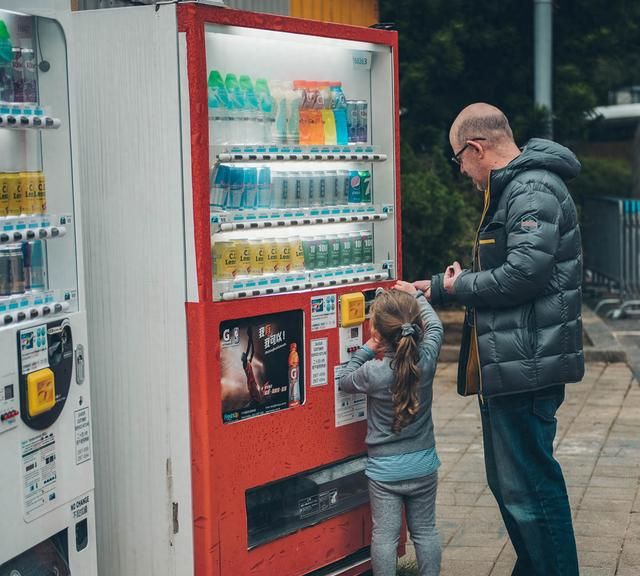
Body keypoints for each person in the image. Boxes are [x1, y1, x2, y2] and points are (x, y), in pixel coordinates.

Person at [417, 102, 583, 576]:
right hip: (516, 362)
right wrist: (437, 284)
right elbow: (511, 270)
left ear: (475, 147)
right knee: (515, 487)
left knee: (530, 490)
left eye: (459, 160)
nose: (463, 171)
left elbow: (521, 277)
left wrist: (453, 287)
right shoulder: (518, 190)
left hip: (526, 364)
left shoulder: (531, 189)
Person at [338, 280, 444, 576]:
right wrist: (417, 296)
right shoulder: (427, 359)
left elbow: (345, 380)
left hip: (385, 471)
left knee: (384, 536)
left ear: (377, 333)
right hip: (423, 465)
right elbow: (436, 328)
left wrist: (366, 350)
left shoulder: (373, 372)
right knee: (425, 531)